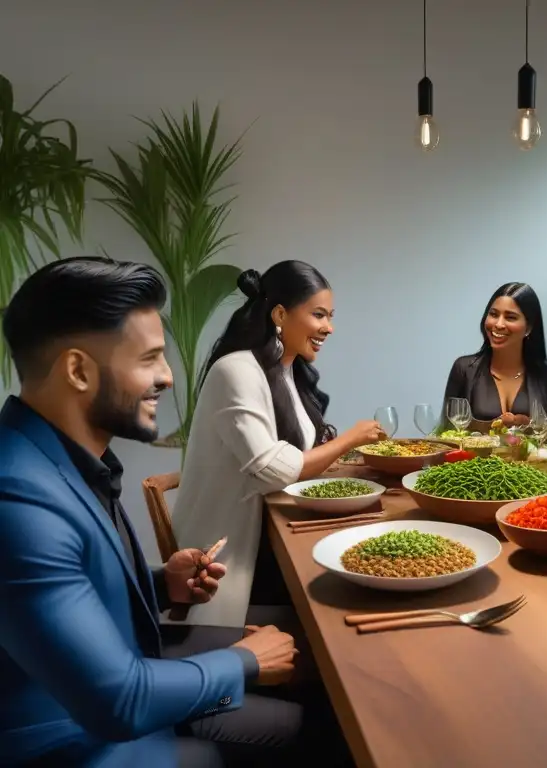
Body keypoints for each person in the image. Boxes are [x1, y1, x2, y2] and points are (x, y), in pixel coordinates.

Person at [0, 257, 302, 767]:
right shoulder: (17, 499)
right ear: (77, 370)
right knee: (306, 732)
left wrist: (163, 584)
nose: (167, 377)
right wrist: (244, 663)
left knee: (300, 714)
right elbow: (121, 701)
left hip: (129, 689)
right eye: (150, 359)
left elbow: (78, 590)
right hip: (82, 737)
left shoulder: (66, 459)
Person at [174, 261, 383, 629]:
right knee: (352, 600)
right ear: (281, 314)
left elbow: (298, 455)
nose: (329, 328)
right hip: (232, 559)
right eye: (319, 315)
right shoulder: (235, 370)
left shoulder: (287, 373)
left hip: (271, 537)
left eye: (330, 316)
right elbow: (274, 470)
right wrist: (353, 437)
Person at [442, 282, 547, 430]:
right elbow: (447, 432)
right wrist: (490, 427)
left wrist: (529, 426)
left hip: (534, 454)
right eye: (494, 314)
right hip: (475, 454)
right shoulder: (464, 369)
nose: (499, 324)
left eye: (510, 317)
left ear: (528, 327)